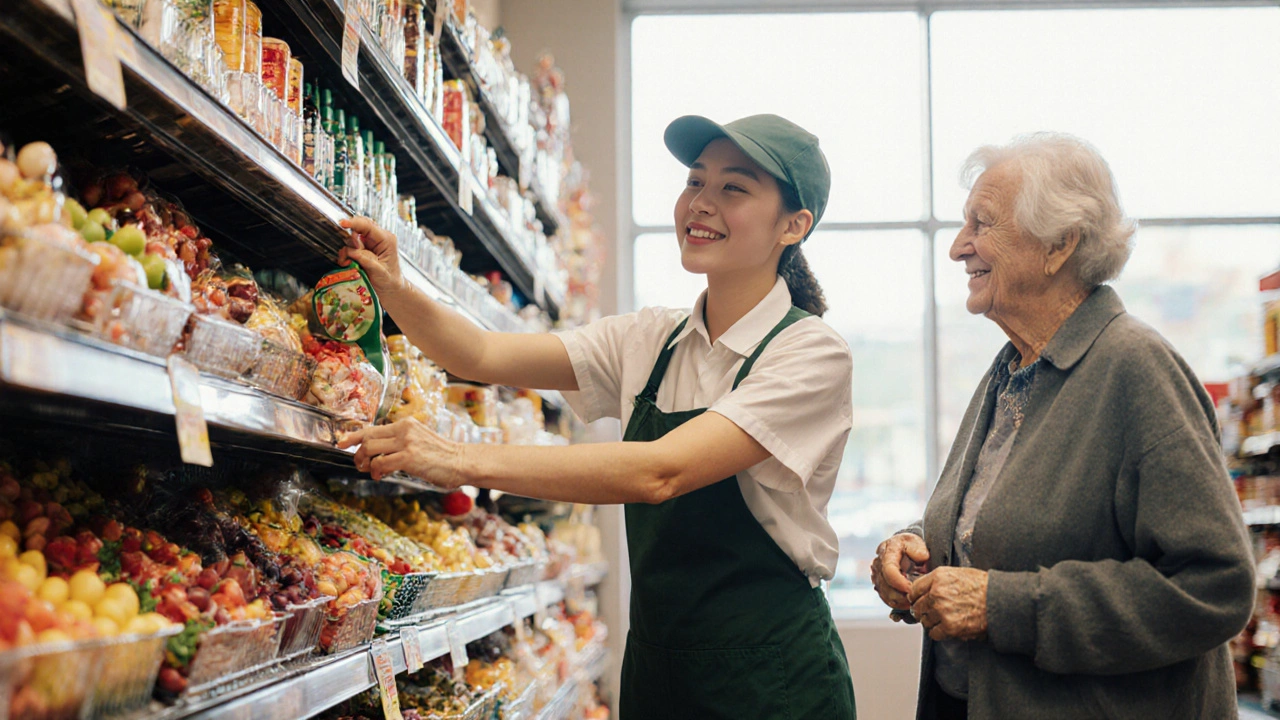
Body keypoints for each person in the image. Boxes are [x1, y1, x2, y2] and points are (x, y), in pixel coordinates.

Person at [339, 114, 857, 719]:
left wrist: (457, 458)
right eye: (695, 181)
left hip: (770, 678)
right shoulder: (652, 339)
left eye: (733, 188)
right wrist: (395, 286)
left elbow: (660, 472)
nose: (701, 202)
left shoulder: (810, 352)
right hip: (658, 668)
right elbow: (479, 354)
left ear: (793, 226)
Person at [870, 132, 1254, 720]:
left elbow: (1215, 585)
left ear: (1059, 245)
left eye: (981, 223)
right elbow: (1009, 522)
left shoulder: (1136, 368)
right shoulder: (1011, 370)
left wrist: (1002, 606)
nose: (957, 247)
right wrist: (918, 545)